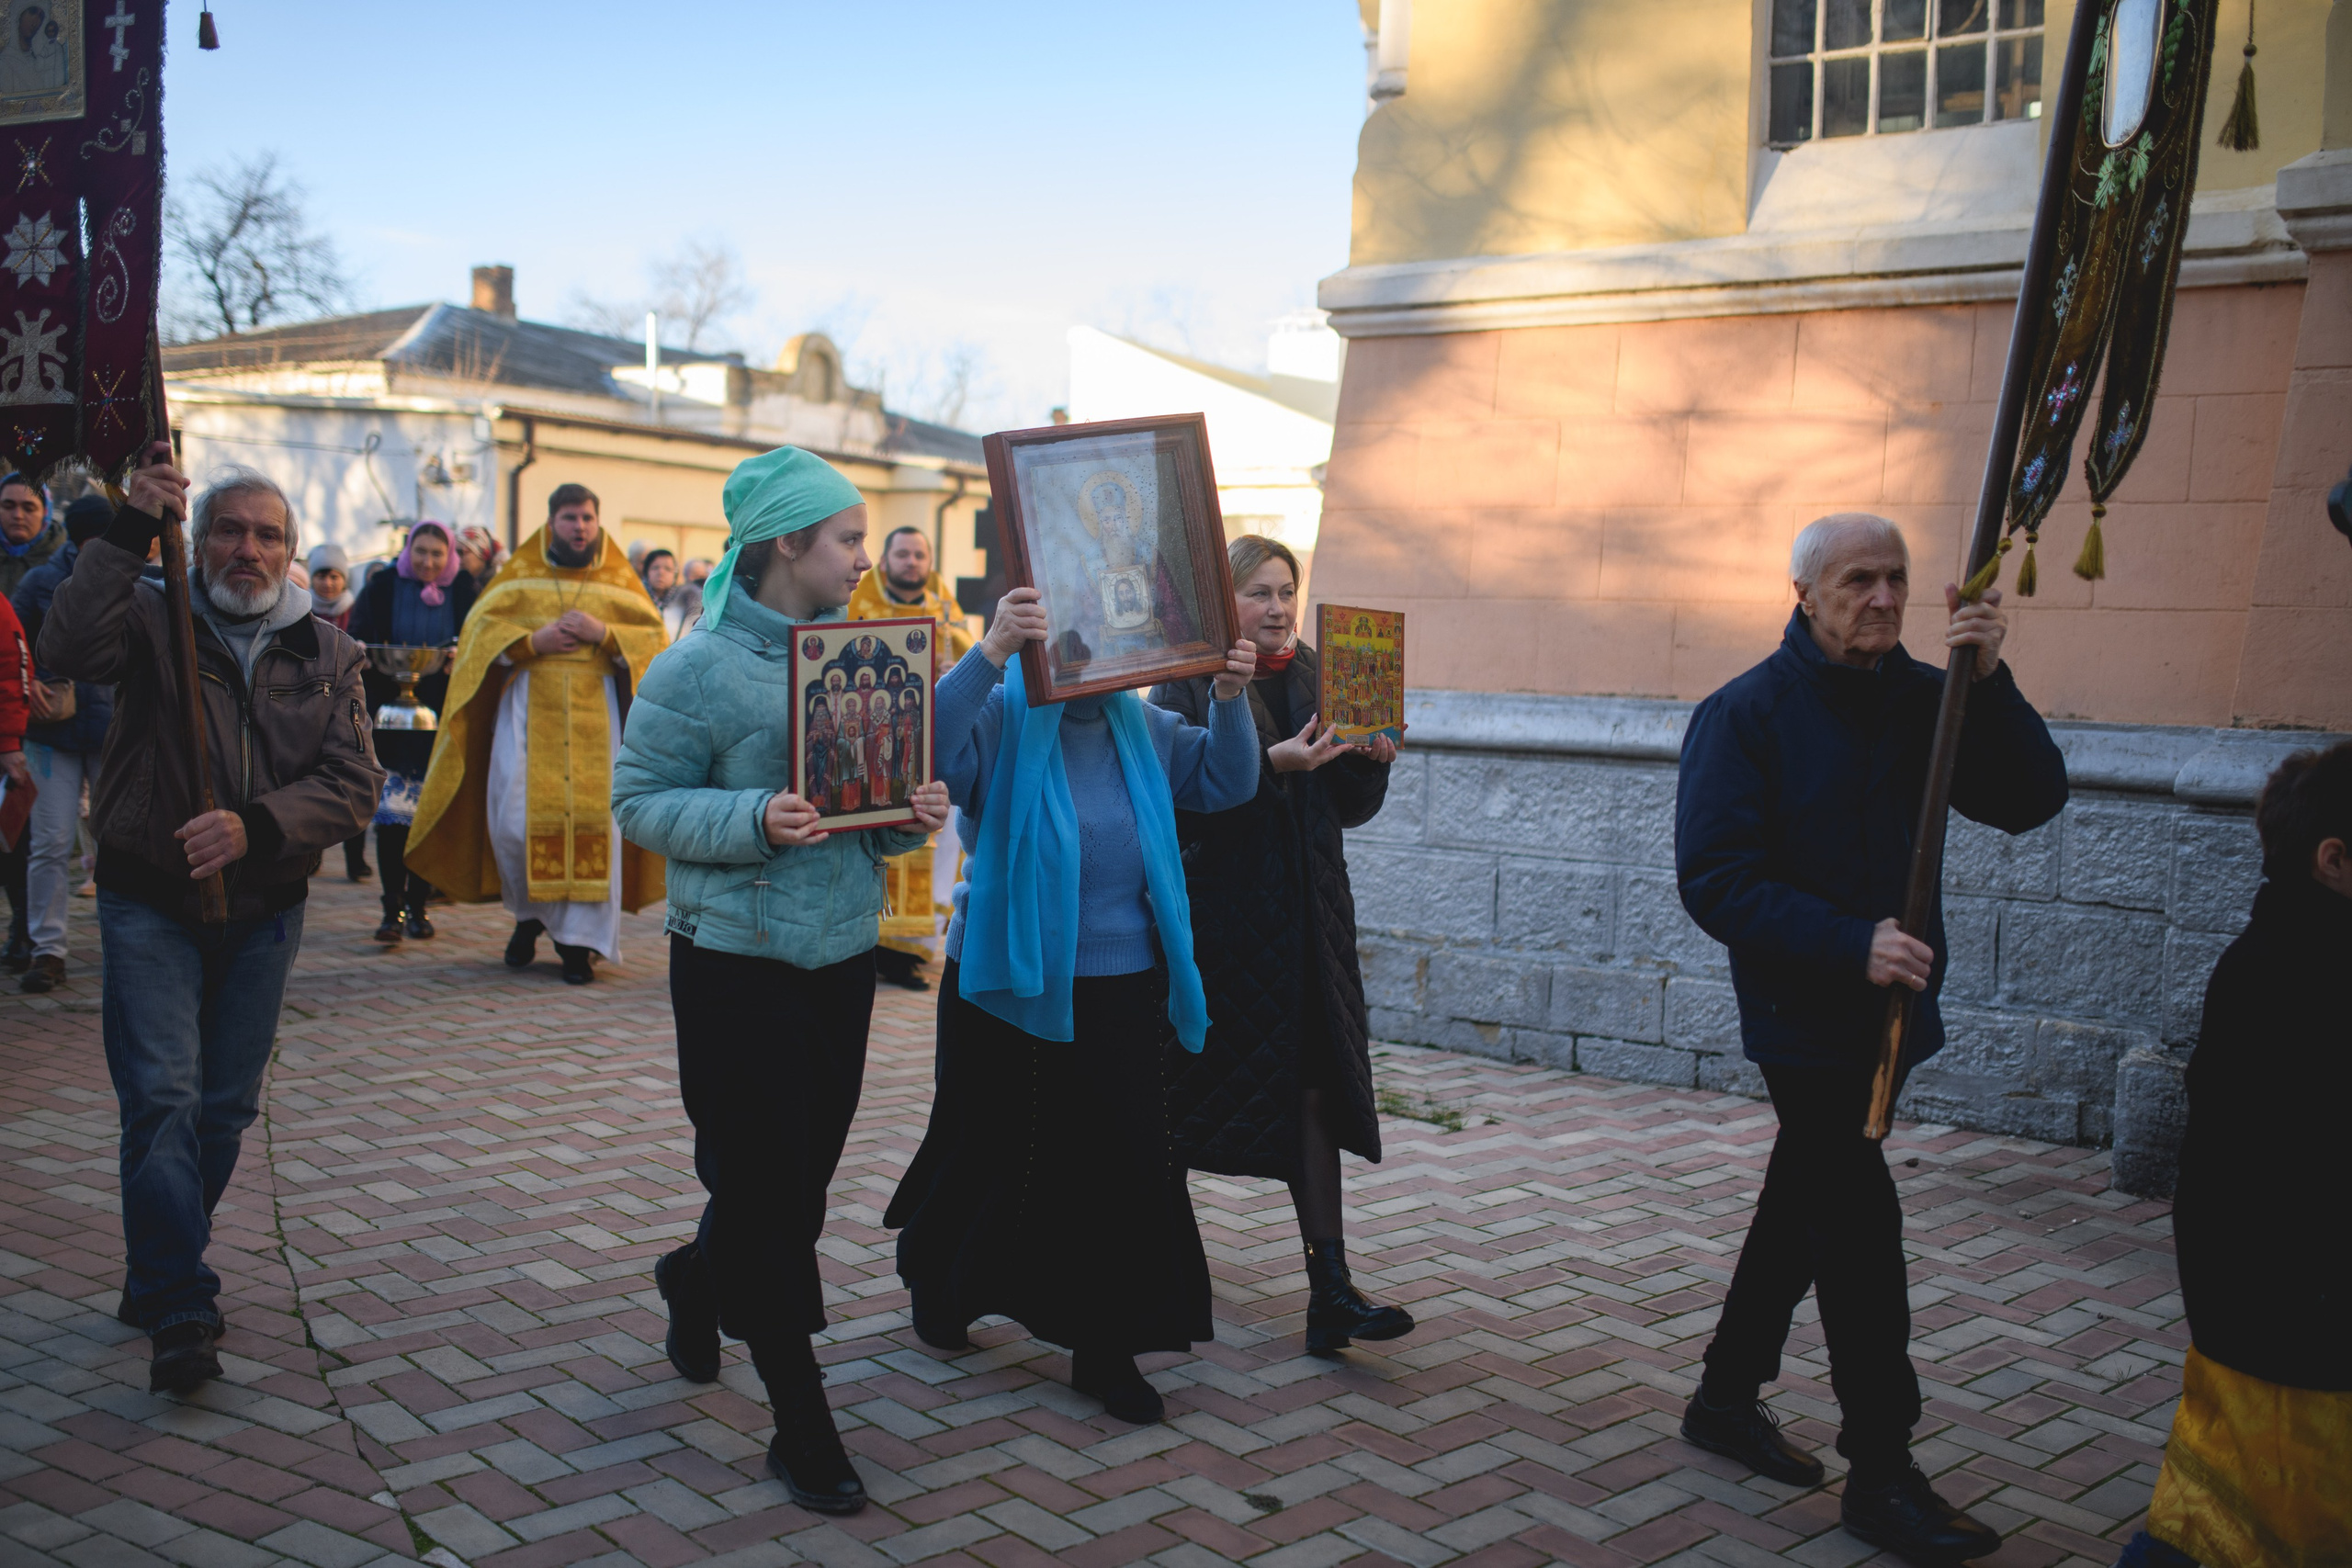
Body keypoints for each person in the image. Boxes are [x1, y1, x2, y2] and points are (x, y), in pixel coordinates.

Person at [1672, 513, 2065, 1562]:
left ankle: (1720, 1398)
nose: (1883, 599)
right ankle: (1881, 1469)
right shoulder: (1742, 714)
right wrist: (1850, 943)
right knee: (1856, 1224)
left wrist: (1990, 679)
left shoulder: (1927, 700)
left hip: (1894, 1017)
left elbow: (2032, 800)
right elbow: (1714, 880)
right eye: (1857, 581)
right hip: (1803, 1014)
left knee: (1804, 1193)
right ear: (1803, 592)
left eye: (1896, 580)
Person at [612, 446, 952, 1517]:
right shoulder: (697, 667)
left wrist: (912, 811)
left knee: (794, 1187)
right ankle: (802, 1425)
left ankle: (694, 1280)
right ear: (786, 545)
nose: (864, 557)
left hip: (838, 956)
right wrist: (750, 820)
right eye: (848, 539)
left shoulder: (868, 657)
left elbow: (876, 818)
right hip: (733, 966)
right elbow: (639, 802)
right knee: (766, 1194)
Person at [40, 455, 379, 1393]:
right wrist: (124, 526)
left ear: (292, 553)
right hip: (150, 897)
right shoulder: (153, 617)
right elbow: (64, 650)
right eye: (228, 529)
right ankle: (180, 1295)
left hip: (266, 908)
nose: (248, 548)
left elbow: (355, 785)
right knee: (162, 1100)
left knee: (223, 1110)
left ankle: (155, 1263)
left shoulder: (329, 651)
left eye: (268, 534)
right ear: (195, 543)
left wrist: (256, 826)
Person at [884, 583, 1261, 1427]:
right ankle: (945, 1281)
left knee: (1119, 1164)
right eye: (1077, 637)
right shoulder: (1003, 715)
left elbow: (1230, 783)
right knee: (990, 1148)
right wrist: (987, 655)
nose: (1096, 655)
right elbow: (924, 753)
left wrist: (1231, 699)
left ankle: (1105, 1346)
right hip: (1004, 983)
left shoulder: (1148, 730)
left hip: (1123, 982)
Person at [1152, 536, 1415, 1357]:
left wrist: (1369, 763)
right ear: (1224, 602)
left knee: (1311, 1089)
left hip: (1308, 922)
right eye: (1258, 593)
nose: (1276, 609)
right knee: (1180, 1099)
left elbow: (1347, 807)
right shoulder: (1187, 679)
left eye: (1286, 592)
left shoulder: (1318, 671)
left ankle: (1330, 1289)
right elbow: (1174, 805)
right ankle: (1166, 1278)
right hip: (1220, 924)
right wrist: (1271, 763)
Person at [2107, 744, 2352, 1568]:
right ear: (2335, 861)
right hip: (2295, 1329)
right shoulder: (2297, 976)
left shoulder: (2282, 952)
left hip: (2266, 1318)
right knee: (2234, 1528)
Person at [407, 484, 666, 985]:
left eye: (588, 518)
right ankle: (529, 917)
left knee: (597, 828)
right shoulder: (517, 578)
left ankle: (577, 946)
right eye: (570, 518)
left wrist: (606, 635)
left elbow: (654, 642)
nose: (580, 527)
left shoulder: (619, 582)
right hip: (527, 715)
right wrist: (531, 641)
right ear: (552, 523)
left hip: (597, 720)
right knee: (514, 823)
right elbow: (480, 640)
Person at [847, 525, 976, 989]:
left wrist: (953, 669)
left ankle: (912, 949)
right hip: (871, 740)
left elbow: (970, 661)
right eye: (903, 554)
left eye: (920, 555)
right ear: (885, 559)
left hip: (927, 743)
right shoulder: (857, 602)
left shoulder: (944, 606)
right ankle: (874, 942)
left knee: (933, 841)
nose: (912, 563)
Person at [348, 522, 478, 942]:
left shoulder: (463, 589)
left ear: (450, 556)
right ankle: (391, 911)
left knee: (429, 817)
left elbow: (481, 640)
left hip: (441, 718)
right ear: (407, 550)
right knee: (392, 817)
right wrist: (363, 653)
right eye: (420, 551)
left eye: (437, 554)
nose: (427, 561)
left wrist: (465, 654)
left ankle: (419, 906)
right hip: (391, 719)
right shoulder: (383, 584)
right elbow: (358, 635)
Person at [8, 496, 116, 992]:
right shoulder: (39, 582)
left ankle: (129, 945)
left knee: (118, 843)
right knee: (49, 843)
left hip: (116, 729)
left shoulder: (133, 576)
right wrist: (36, 685)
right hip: (51, 730)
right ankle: (47, 948)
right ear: (75, 535)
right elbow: (15, 652)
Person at [0, 469, 62, 971]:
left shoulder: (58, 565)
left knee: (25, 832)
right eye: (8, 505)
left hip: (35, 718)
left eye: (28, 506)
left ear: (46, 513)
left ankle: (26, 929)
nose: (17, 515)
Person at [640, 547, 704, 641]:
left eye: (668, 569)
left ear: (675, 575)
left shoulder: (686, 602)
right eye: (655, 568)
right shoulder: (637, 600)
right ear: (646, 572)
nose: (661, 573)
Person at [308, 544, 356, 631]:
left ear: (344, 580)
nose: (327, 584)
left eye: (334, 577)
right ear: (312, 579)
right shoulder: (303, 609)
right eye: (321, 577)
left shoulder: (357, 610)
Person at [454, 524, 505, 593]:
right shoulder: (452, 588)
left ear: (482, 554)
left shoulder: (501, 589)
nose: (456, 558)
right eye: (453, 553)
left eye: (460, 552)